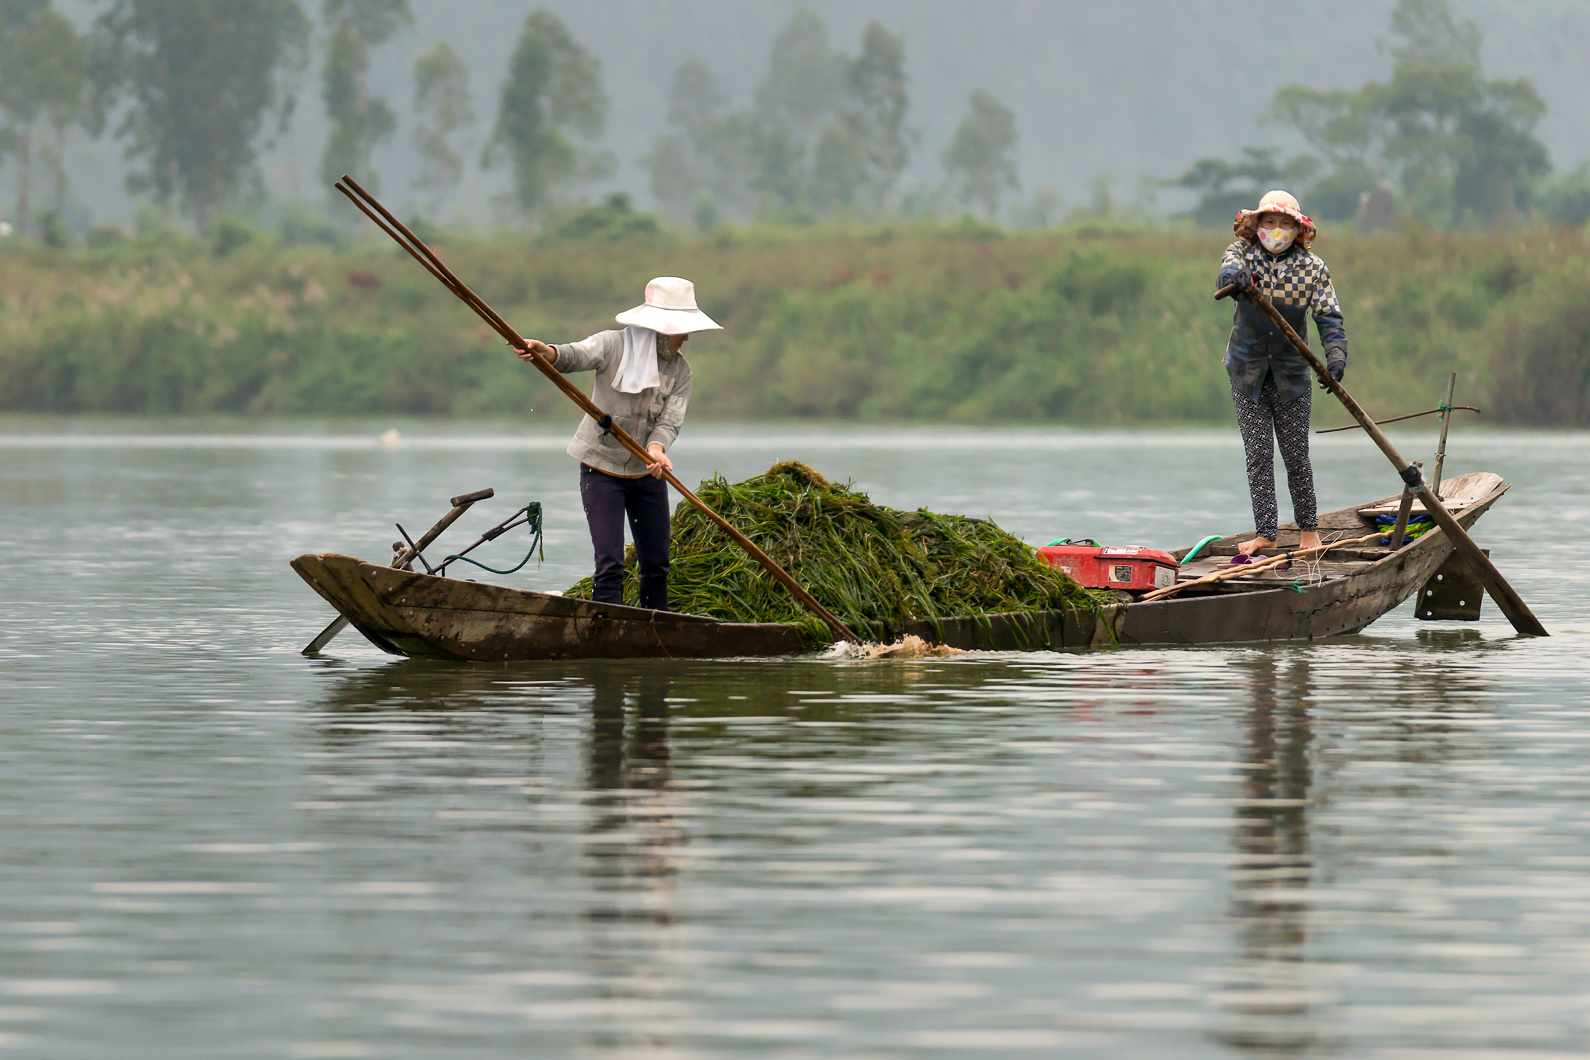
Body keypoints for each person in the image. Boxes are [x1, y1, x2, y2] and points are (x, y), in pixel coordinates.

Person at [515, 276, 720, 611]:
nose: (686, 338)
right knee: (610, 564)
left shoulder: (681, 371)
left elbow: (669, 421)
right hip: (600, 470)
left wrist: (656, 450)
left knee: (656, 565)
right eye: (682, 330)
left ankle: (654, 626)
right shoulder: (613, 345)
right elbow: (575, 356)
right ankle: (606, 626)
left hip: (646, 474)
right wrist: (546, 352)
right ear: (661, 327)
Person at [1218, 190, 1349, 556]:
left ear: (1297, 228)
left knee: (1295, 454)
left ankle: (1309, 533)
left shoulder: (1312, 268)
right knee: (1258, 454)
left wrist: (1335, 357)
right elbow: (1225, 275)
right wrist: (1239, 279)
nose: (1276, 229)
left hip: (1291, 373)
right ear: (1257, 225)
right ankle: (1266, 534)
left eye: (1285, 223)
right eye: (1269, 222)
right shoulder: (1241, 253)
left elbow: (1328, 317)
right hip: (1247, 372)